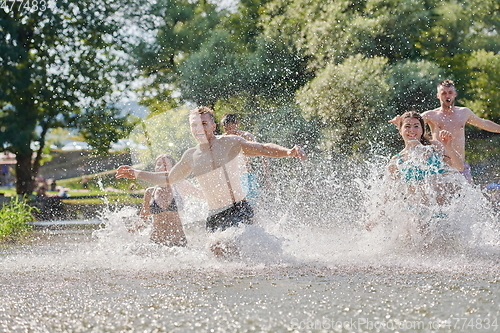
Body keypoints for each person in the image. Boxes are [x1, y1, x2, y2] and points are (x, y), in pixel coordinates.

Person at [116, 106, 306, 255]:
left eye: (204, 123)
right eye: (194, 125)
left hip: (238, 208)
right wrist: (137, 173)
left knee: (225, 246)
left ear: (213, 125)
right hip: (214, 214)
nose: (199, 128)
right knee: (218, 257)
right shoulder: (191, 156)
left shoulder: (229, 143)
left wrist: (288, 152)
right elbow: (168, 178)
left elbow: (263, 148)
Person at [367, 111, 464, 232]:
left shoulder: (434, 147)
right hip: (417, 216)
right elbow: (388, 193)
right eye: (407, 126)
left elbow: (459, 167)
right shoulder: (397, 161)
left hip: (443, 211)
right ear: (400, 130)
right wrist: (376, 218)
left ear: (422, 130)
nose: (411, 130)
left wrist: (448, 146)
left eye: (416, 126)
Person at [390, 80, 500, 182]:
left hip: (460, 165)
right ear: (438, 96)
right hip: (440, 167)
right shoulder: (431, 115)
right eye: (443, 93)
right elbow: (412, 126)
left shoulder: (464, 113)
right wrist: (400, 122)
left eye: (450, 92)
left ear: (455, 94)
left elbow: (484, 123)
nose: (447, 96)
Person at [134, 154, 204, 247]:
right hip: (155, 243)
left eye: (166, 165)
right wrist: (128, 232)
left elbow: (203, 195)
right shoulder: (150, 192)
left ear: (173, 168)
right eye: (158, 164)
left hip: (179, 243)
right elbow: (143, 217)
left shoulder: (182, 184)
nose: (162, 167)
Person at [220, 113, 269, 205]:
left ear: (237, 124)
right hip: (232, 178)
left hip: (246, 176)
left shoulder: (246, 136)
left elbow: (263, 152)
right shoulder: (223, 139)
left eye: (230, 128)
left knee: (252, 205)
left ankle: (258, 219)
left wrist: (267, 175)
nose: (228, 131)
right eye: (226, 129)